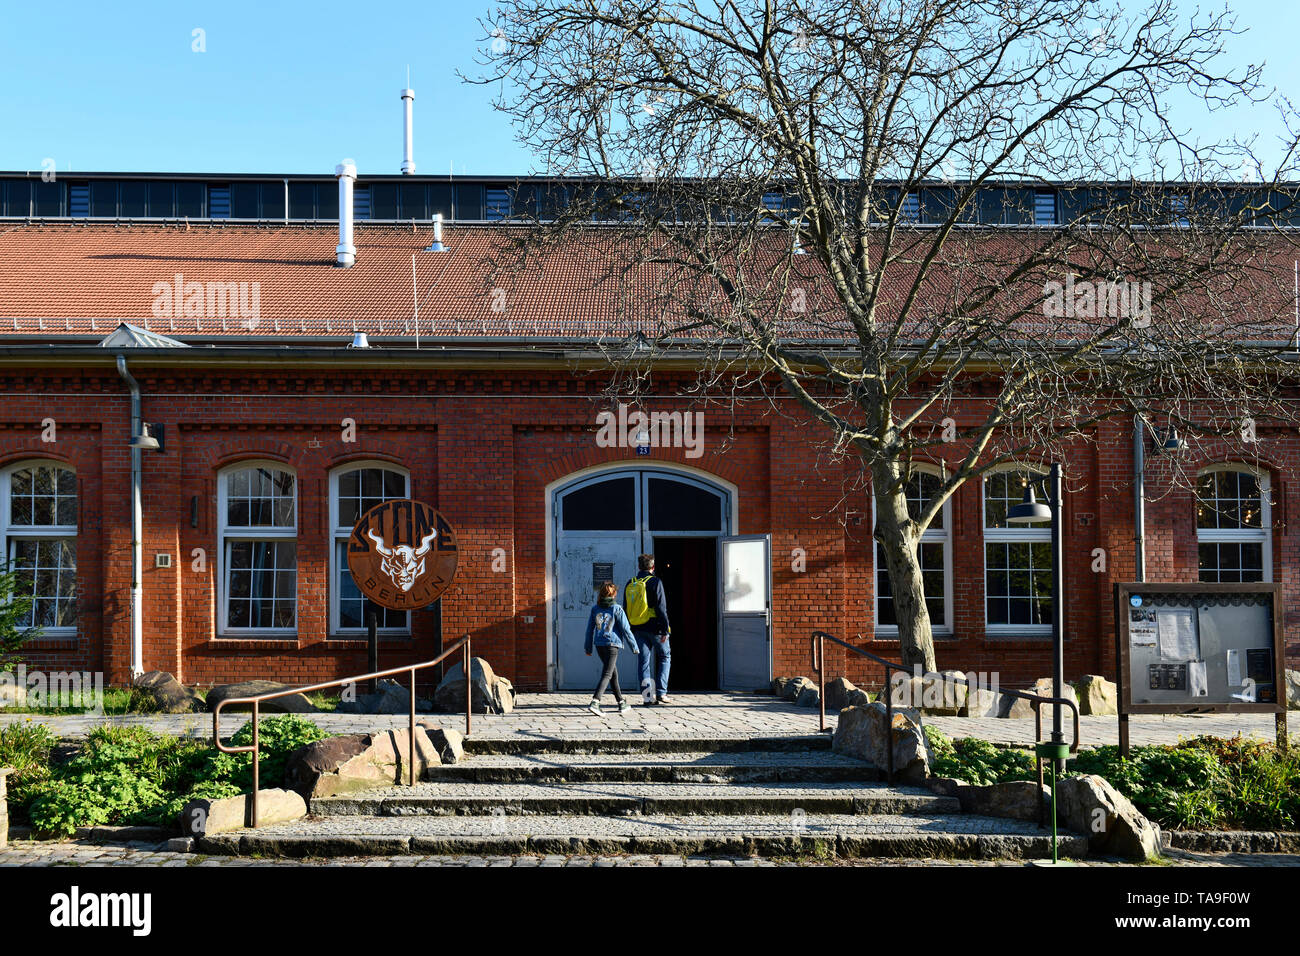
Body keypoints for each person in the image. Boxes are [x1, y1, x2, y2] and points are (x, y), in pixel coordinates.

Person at [583, 581, 638, 715]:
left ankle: (621, 702)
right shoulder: (617, 609)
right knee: (608, 673)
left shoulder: (595, 609)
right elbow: (626, 629)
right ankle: (595, 702)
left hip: (599, 645)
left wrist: (588, 647)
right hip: (612, 645)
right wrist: (634, 646)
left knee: (613, 674)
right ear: (613, 594)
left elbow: (589, 630)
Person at [625, 553, 672, 705]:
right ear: (652, 567)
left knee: (643, 662)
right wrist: (665, 629)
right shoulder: (655, 582)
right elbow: (661, 607)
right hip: (656, 628)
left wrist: (630, 628)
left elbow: (626, 608)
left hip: (638, 628)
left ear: (639, 567)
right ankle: (661, 693)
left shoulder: (630, 583)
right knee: (665, 657)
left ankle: (647, 697)